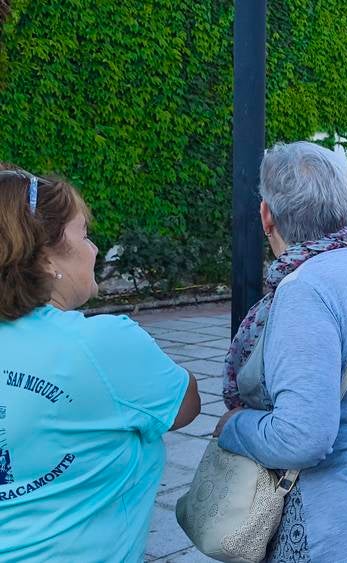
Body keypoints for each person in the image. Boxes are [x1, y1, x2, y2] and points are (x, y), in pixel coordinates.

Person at [216, 142, 347, 561]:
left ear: (266, 216)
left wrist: (234, 426)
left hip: (344, 524)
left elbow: (302, 439)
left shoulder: (305, 291)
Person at [0, 168, 199, 561]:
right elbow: (184, 405)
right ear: (45, 254)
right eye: (84, 234)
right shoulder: (101, 345)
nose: (93, 249)